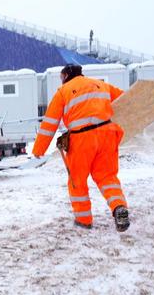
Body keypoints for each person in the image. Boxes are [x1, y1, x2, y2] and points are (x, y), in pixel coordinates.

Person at [32, 63, 131, 232]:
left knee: (77, 180)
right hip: (107, 134)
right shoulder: (100, 84)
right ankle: (119, 207)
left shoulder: (63, 92)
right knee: (107, 177)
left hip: (82, 139)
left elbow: (50, 123)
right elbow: (128, 99)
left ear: (66, 75)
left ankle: (83, 219)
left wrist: (38, 149)